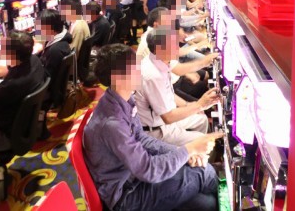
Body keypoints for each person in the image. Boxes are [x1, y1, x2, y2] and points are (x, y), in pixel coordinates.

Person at [83, 43, 222, 211]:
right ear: (118, 78)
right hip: (125, 195)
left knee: (208, 203)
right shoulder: (113, 124)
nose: (139, 71)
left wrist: (182, 153)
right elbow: (148, 169)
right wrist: (187, 150)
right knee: (204, 173)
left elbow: (142, 138)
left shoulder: (123, 98)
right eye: (134, 68)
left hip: (133, 177)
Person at [135, 27, 220, 146]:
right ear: (160, 49)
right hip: (156, 130)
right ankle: (194, 152)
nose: (177, 48)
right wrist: (200, 105)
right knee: (204, 140)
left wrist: (188, 105)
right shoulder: (153, 76)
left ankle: (195, 153)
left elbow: (168, 91)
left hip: (163, 119)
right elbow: (168, 117)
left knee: (202, 119)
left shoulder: (159, 59)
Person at [36, 9, 73, 110]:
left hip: (49, 91)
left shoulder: (55, 50)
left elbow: (47, 79)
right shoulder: (61, 40)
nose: (38, 29)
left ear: (49, 28)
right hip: (55, 86)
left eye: (40, 26)